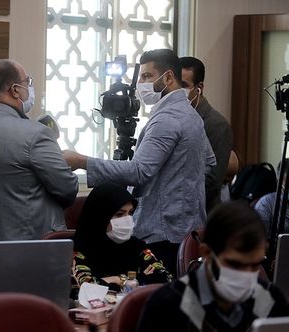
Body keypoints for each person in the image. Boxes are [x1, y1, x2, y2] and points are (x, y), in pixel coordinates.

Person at [64, 49, 215, 271]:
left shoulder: (167, 119)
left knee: (154, 288)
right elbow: (209, 163)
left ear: (168, 77)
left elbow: (139, 171)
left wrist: (82, 161)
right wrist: (180, 188)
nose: (140, 84)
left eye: (147, 76)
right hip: (186, 230)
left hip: (162, 232)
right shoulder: (191, 115)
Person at [123, 201, 289, 332]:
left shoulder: (271, 300)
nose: (246, 276)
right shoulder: (168, 304)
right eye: (235, 265)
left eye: (255, 266)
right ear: (207, 253)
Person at [0, 59, 78, 240]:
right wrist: (65, 162)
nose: (29, 88)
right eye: (27, 82)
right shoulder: (36, 133)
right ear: (15, 90)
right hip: (29, 246)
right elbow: (67, 190)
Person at [71, 183, 172, 296]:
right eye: (119, 214)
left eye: (130, 213)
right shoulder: (79, 250)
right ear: (100, 217)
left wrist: (115, 280)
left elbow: (165, 279)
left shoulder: (136, 246)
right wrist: (134, 280)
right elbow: (86, 290)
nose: (127, 220)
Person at [180, 56, 234, 212]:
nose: (177, 91)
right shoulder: (174, 116)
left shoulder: (216, 124)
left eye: (183, 85)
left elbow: (212, 180)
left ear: (199, 87)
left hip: (200, 213)